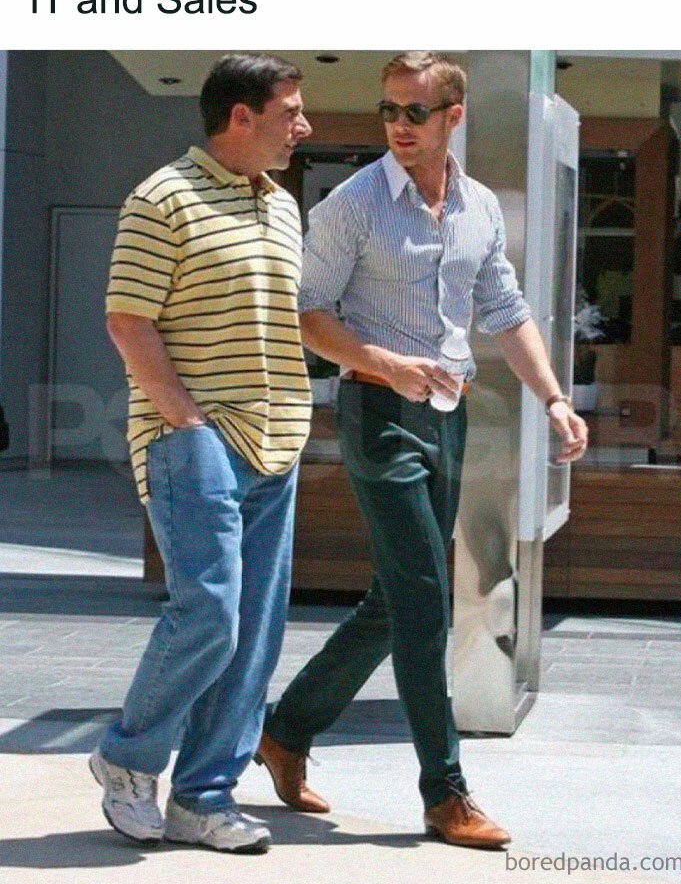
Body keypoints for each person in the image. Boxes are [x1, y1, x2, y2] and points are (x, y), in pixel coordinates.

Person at [256, 51, 588, 849]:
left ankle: (286, 730)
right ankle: (444, 793)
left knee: (394, 600)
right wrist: (385, 364)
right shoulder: (355, 204)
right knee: (424, 601)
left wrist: (553, 398)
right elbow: (306, 312)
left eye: (414, 112)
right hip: (378, 411)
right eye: (388, 111)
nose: (398, 126)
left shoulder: (476, 207)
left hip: (449, 416)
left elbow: (507, 311)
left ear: (453, 118)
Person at [90, 53, 312, 853]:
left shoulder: (282, 206)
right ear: (240, 117)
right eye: (290, 111)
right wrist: (186, 421)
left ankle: (203, 798)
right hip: (194, 436)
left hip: (276, 437)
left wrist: (383, 363)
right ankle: (126, 758)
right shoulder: (162, 198)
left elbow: (294, 318)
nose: (304, 125)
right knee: (211, 612)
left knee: (253, 630)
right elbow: (127, 320)